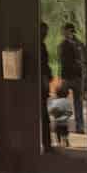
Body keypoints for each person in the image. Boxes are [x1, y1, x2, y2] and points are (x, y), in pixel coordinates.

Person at [58, 21, 85, 133]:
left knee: (76, 103)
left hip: (75, 77)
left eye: (64, 30)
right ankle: (64, 126)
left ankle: (79, 127)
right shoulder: (64, 44)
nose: (63, 32)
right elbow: (61, 62)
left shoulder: (78, 44)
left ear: (70, 31)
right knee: (63, 102)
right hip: (67, 76)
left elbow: (83, 61)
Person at [39, 20, 54, 152]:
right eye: (44, 32)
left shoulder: (41, 45)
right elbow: (42, 66)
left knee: (44, 117)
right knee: (43, 118)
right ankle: (47, 145)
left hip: (41, 85)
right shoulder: (40, 46)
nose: (45, 34)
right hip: (39, 86)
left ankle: (47, 145)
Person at [47, 78, 73, 146]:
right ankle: (66, 141)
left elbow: (51, 110)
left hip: (57, 122)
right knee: (65, 133)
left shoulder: (54, 101)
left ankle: (58, 142)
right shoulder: (67, 102)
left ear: (56, 93)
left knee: (57, 132)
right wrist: (66, 116)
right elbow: (70, 112)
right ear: (67, 93)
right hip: (65, 123)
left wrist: (55, 114)